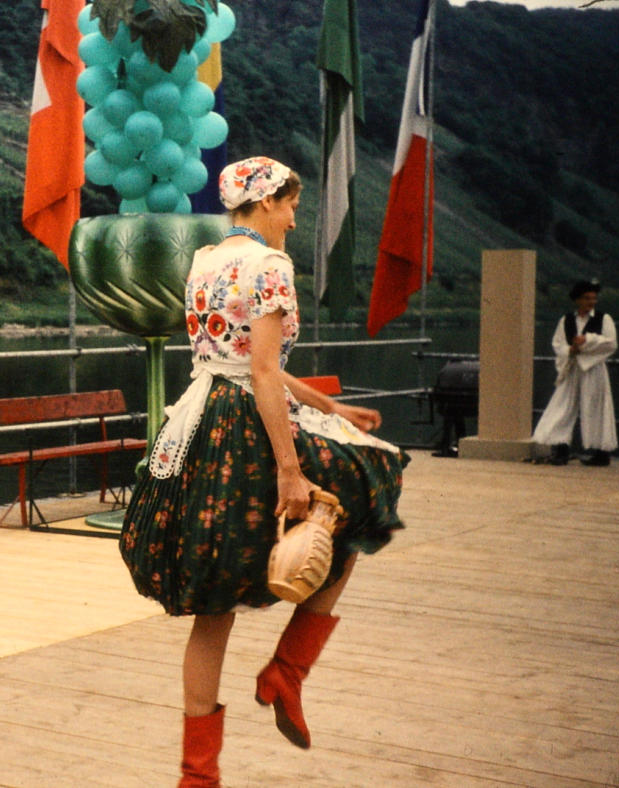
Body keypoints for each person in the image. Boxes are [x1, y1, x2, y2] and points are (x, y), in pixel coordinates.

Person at [119, 158, 407, 787]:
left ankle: (198, 776)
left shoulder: (204, 261)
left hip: (199, 421)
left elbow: (237, 360)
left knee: (213, 602)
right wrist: (289, 470)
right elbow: (262, 372)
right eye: (291, 205)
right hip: (248, 422)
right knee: (361, 504)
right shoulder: (271, 266)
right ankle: (288, 670)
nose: (295, 220)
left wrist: (330, 407)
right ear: (266, 201)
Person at [531, 280, 617, 466]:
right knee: (562, 406)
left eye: (593, 298)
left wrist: (588, 341)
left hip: (593, 368)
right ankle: (560, 449)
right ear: (578, 300)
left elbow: (611, 343)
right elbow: (558, 343)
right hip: (572, 368)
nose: (591, 302)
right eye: (587, 298)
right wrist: (570, 350)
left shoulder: (604, 319)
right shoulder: (567, 320)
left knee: (596, 408)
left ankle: (601, 453)